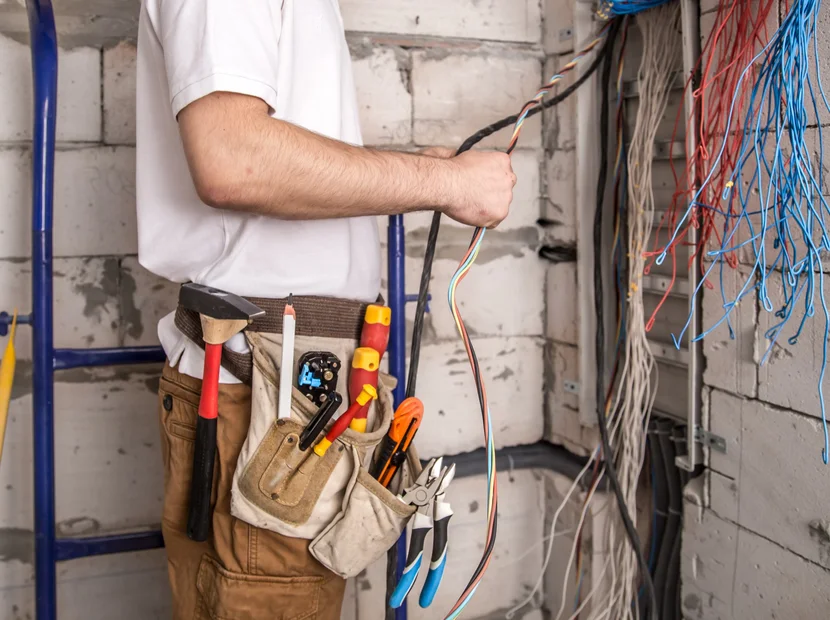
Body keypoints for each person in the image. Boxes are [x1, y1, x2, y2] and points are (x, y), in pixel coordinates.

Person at [135, 0, 516, 618]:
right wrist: (447, 185)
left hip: (294, 385)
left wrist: (422, 174)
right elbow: (235, 161)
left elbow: (269, 155)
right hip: (263, 387)